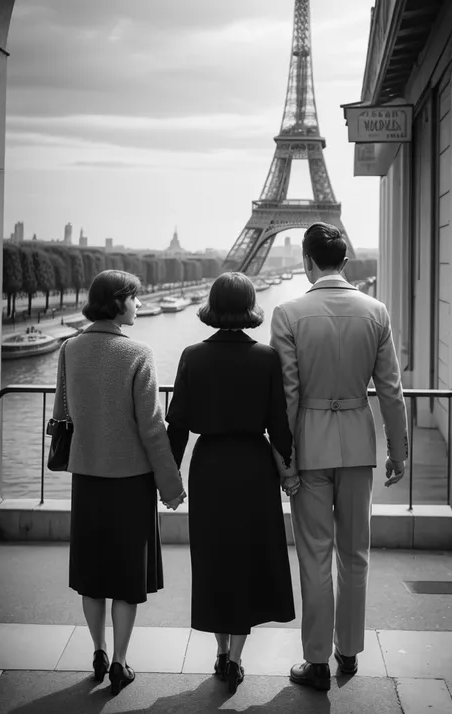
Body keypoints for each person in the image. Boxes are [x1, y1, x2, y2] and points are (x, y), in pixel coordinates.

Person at [270, 223, 408, 692]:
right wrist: (399, 450)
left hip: (308, 446)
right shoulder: (376, 312)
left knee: (314, 556)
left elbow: (286, 397)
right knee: (356, 554)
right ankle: (348, 650)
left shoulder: (287, 313)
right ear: (346, 261)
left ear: (306, 261)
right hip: (357, 443)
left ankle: (316, 662)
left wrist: (284, 461)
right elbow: (391, 390)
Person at [52, 270, 186, 696]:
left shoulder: (69, 348)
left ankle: (97, 651)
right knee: (127, 576)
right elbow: (152, 428)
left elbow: (61, 413)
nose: (140, 305)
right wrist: (171, 485)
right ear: (118, 302)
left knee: (91, 571)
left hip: (87, 476)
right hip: (130, 481)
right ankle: (122, 663)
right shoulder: (139, 353)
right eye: (135, 298)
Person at [166, 272, 296, 695]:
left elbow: (178, 426)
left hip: (209, 467)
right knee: (248, 561)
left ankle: (220, 649)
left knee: (214, 559)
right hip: (254, 468)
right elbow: (280, 426)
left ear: (212, 305)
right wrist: (288, 470)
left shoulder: (191, 356)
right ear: (250, 305)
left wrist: (169, 479)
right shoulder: (266, 358)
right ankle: (237, 659)